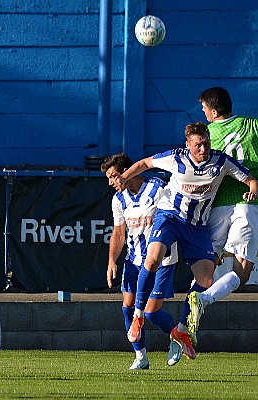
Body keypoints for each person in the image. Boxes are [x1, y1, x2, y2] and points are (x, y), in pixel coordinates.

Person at [117, 122, 257, 365]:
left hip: (197, 226)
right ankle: (138, 316)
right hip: (170, 217)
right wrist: (124, 176)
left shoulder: (220, 162)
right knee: (152, 258)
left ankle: (181, 330)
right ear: (188, 145)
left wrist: (253, 189)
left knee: (206, 279)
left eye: (206, 143)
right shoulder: (175, 158)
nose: (203, 149)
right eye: (198, 144)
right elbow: (144, 163)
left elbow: (250, 179)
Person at [101, 153, 181, 369]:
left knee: (151, 312)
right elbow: (118, 234)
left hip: (161, 260)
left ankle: (178, 337)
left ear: (128, 172)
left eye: (114, 176)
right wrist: (112, 261)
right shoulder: (118, 200)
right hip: (134, 260)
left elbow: (175, 218)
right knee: (127, 307)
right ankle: (140, 357)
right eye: (109, 178)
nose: (111, 182)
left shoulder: (157, 188)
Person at [188, 87, 258, 333]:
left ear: (214, 111)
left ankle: (187, 319)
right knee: (242, 271)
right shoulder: (252, 125)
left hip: (215, 205)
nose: (204, 113)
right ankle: (203, 300)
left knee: (208, 264)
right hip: (246, 202)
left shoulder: (204, 136)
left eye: (205, 109)